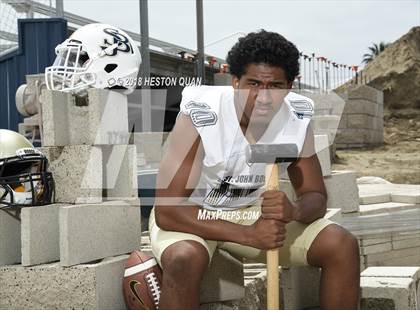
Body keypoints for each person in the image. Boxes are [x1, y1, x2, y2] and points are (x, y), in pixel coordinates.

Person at [150, 30, 360, 310]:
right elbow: (168, 211)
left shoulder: (296, 117)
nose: (263, 97)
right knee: (183, 258)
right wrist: (249, 235)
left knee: (340, 244)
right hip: (192, 215)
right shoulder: (201, 113)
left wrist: (294, 211)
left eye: (275, 86)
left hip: (247, 213)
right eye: (253, 84)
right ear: (235, 82)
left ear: (289, 86)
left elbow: (315, 195)